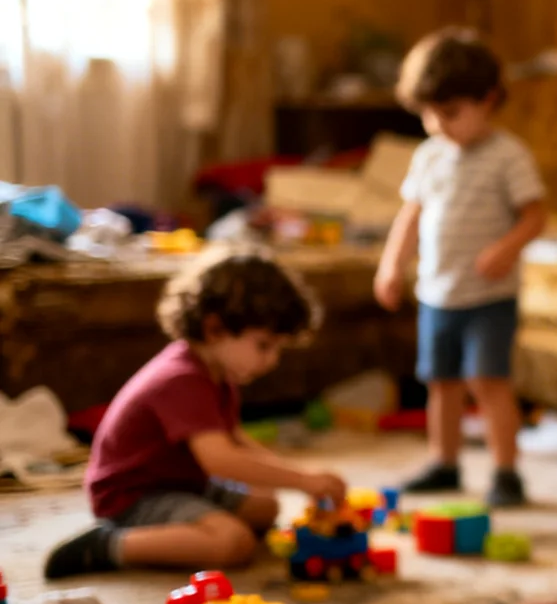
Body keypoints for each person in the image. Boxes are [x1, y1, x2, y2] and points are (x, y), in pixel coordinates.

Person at [45, 248, 344, 579]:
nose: (272, 360)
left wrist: (303, 476)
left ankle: (183, 532)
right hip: (135, 495)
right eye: (264, 345)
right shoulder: (181, 379)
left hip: (181, 481)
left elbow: (236, 440)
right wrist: (303, 481)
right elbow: (221, 460)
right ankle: (108, 544)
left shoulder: (217, 373)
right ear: (214, 329)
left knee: (265, 506)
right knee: (233, 542)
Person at [377, 28, 546, 508]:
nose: (437, 124)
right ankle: (444, 463)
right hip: (437, 294)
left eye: (450, 113)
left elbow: (536, 215)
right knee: (441, 384)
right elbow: (410, 215)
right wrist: (391, 266)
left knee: (490, 384)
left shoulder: (508, 156)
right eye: (429, 113)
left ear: (488, 99)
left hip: (489, 297)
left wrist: (507, 247)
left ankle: (506, 471)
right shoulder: (429, 155)